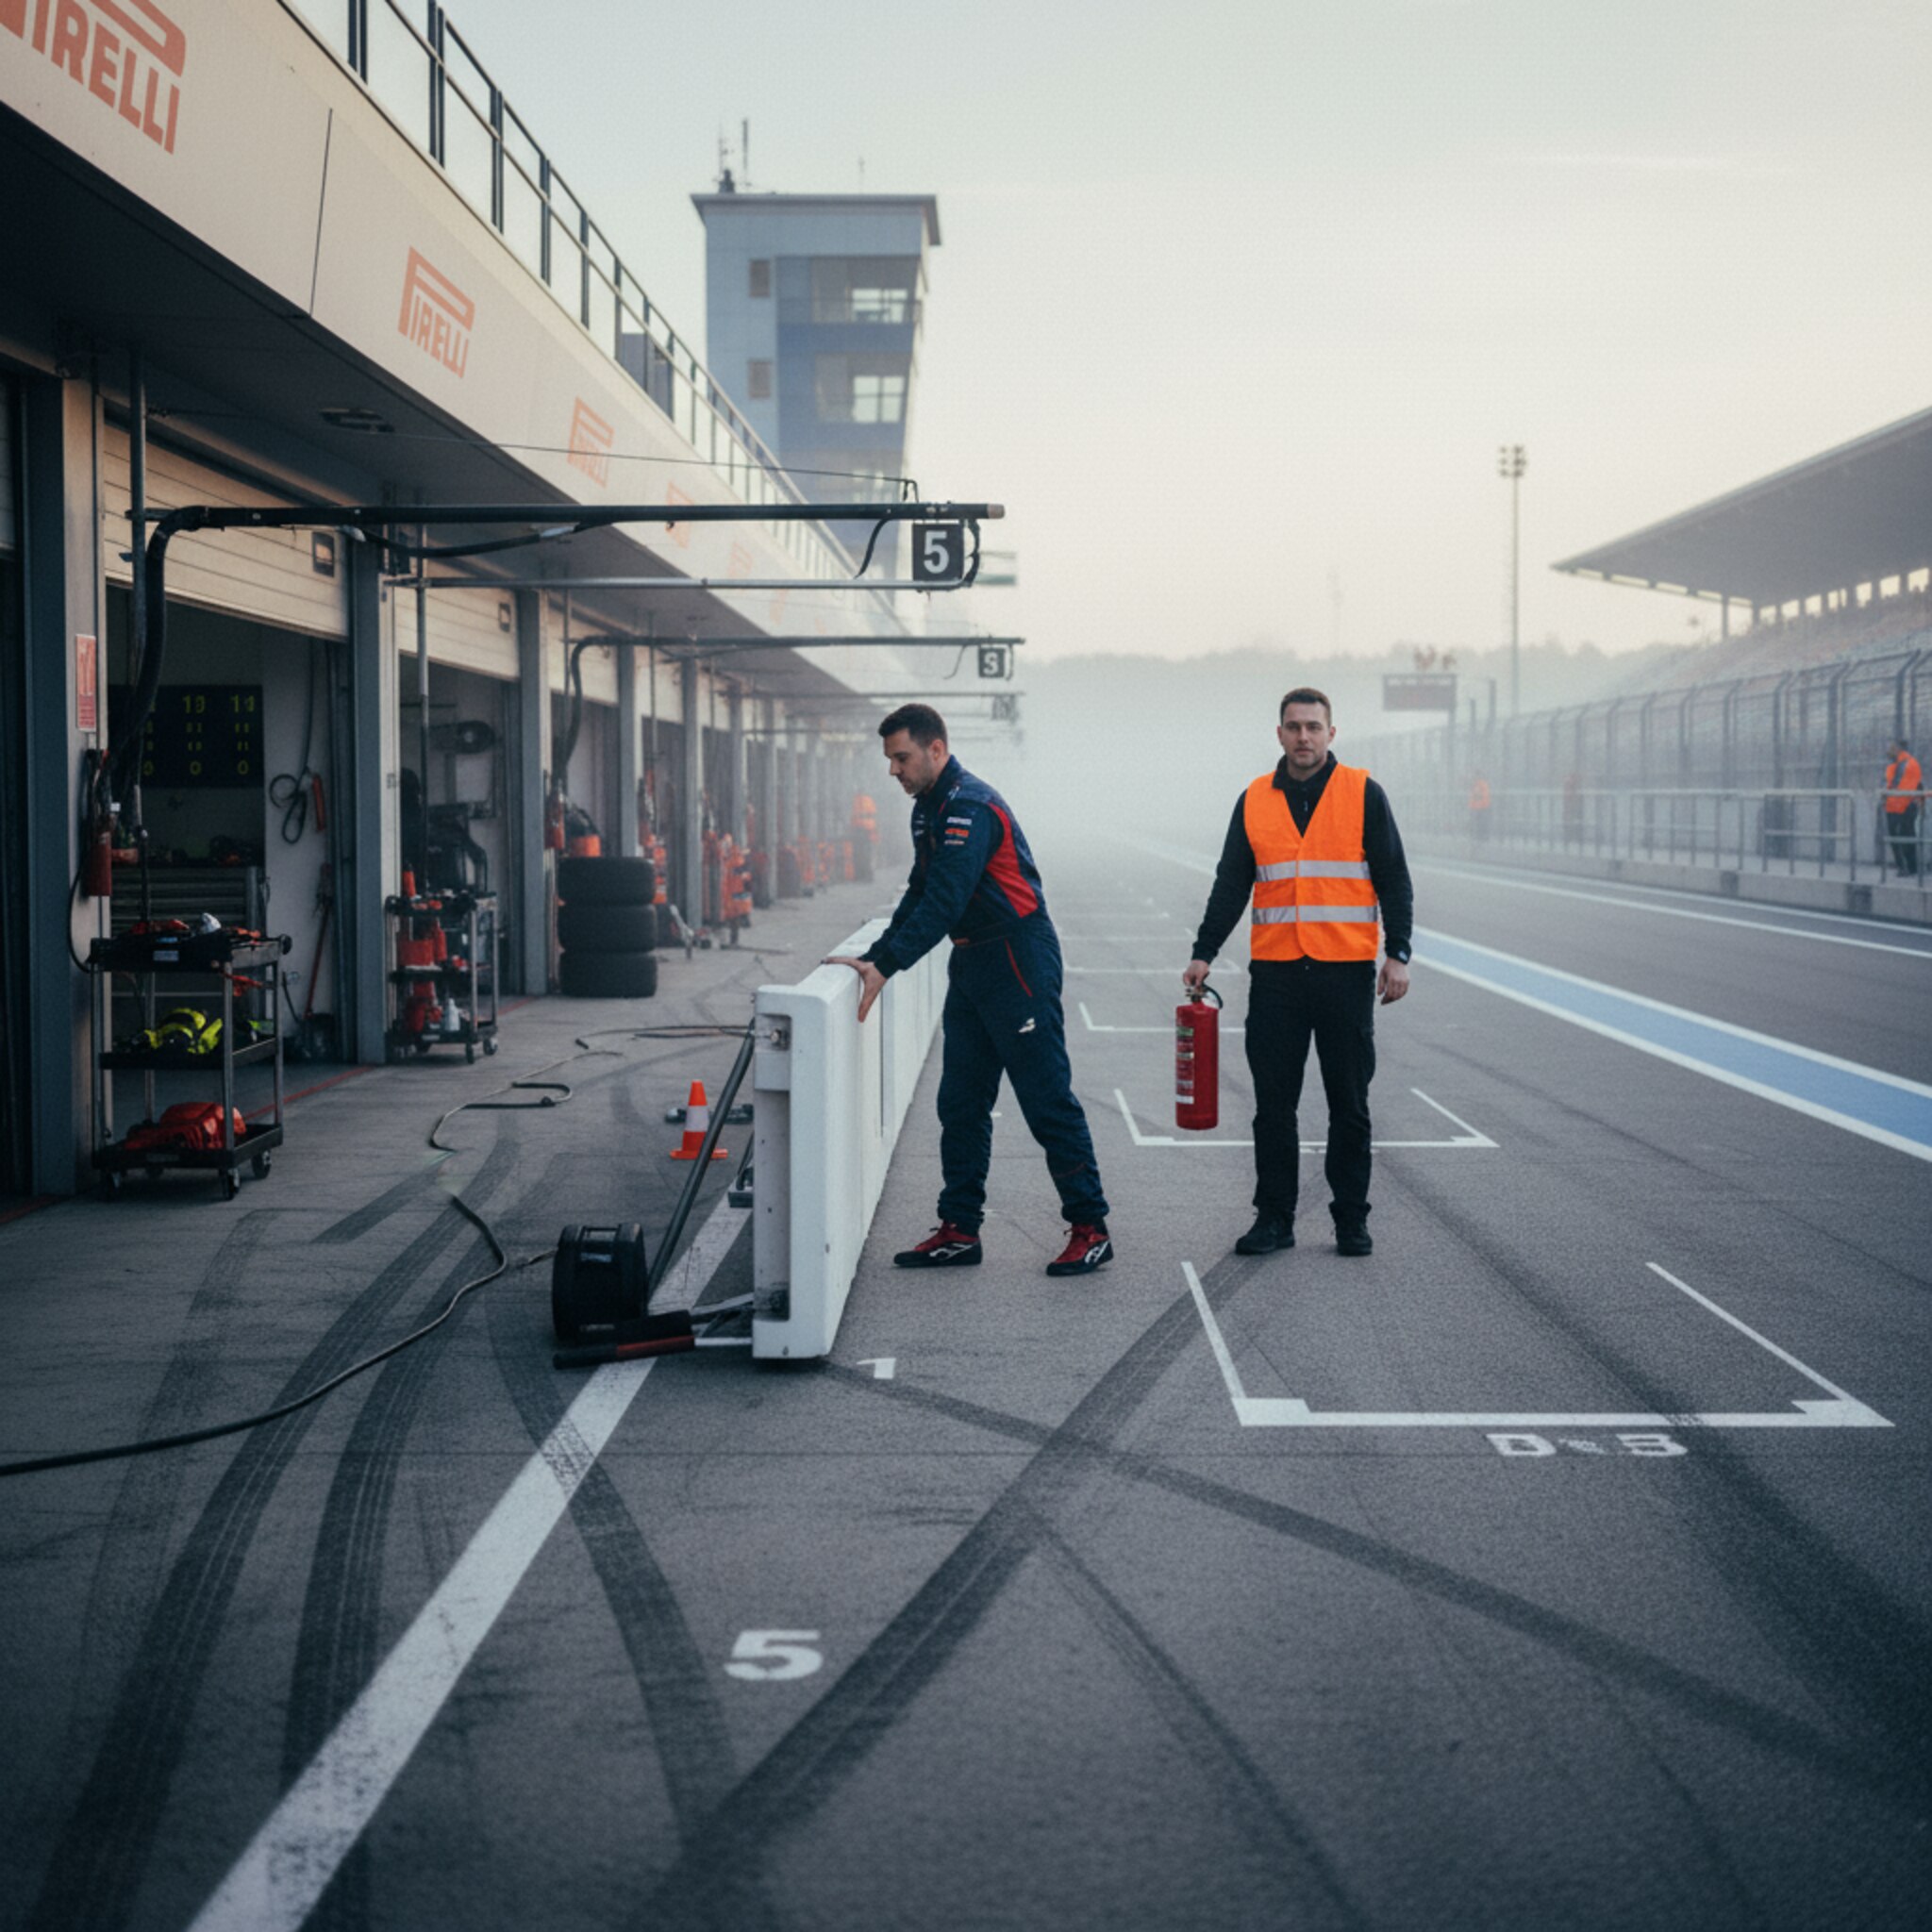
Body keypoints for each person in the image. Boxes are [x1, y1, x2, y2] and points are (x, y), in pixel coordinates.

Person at [824, 704, 1112, 1276]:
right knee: (959, 1102)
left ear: (936, 750)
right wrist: (873, 958)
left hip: (1016, 955)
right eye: (889, 760)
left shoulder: (969, 808)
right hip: (973, 959)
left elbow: (944, 902)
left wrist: (888, 968)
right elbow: (917, 892)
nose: (893, 771)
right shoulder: (927, 809)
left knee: (1046, 1098)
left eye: (901, 758)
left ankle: (1091, 1227)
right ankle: (959, 1230)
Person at [1182, 688, 1413, 1257]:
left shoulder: (1363, 793)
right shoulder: (1255, 799)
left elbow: (1393, 876)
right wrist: (1204, 950)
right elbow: (1232, 882)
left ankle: (1350, 1220)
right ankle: (1274, 1219)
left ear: (1331, 733)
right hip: (1279, 976)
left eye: (1314, 727)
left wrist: (1398, 953)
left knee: (1349, 1105)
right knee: (1273, 1107)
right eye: (1293, 727)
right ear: (1279, 733)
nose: (1304, 737)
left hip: (1345, 974)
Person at [1883, 738, 1922, 879]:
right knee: (1904, 835)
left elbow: (1902, 788)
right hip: (1898, 805)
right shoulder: (1897, 764)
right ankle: (1907, 867)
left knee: (1902, 835)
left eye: (1890, 747)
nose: (1887, 750)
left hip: (1902, 806)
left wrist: (1888, 796)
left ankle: (1907, 867)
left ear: (1898, 748)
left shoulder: (1906, 764)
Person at [1467, 771, 1492, 845]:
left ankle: (1481, 836)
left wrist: (1475, 801)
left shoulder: (1480, 784)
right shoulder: (1477, 784)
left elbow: (1481, 795)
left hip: (1481, 806)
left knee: (1481, 822)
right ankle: (1480, 836)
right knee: (1479, 822)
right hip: (1478, 806)